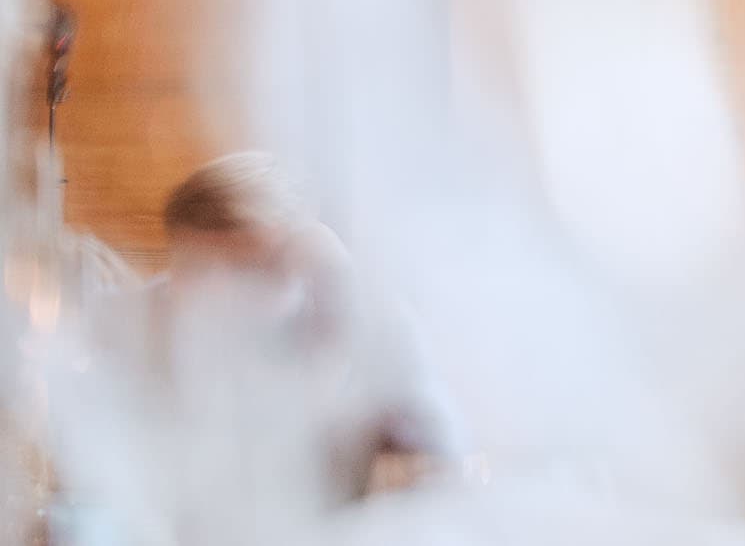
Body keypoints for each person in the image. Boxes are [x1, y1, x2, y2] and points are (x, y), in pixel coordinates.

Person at [61, 152, 464, 536]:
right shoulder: (143, 322)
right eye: (198, 269)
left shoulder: (371, 329)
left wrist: (338, 288)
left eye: (252, 269)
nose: (223, 297)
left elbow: (443, 463)